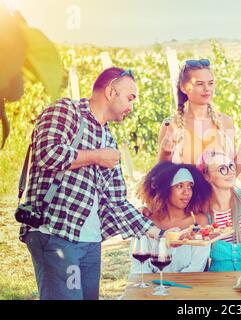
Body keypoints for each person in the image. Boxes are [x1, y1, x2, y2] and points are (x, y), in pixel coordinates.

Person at [19, 67, 165, 300]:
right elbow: (47, 153)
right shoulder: (66, 111)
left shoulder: (108, 138)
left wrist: (161, 234)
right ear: (110, 91)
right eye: (130, 97)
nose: (132, 106)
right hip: (56, 234)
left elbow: (117, 201)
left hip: (90, 240)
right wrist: (97, 156)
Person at [158, 59, 241, 175]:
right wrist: (164, 154)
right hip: (189, 193)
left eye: (210, 83)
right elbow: (161, 175)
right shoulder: (171, 125)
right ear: (183, 88)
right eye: (199, 84)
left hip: (221, 193)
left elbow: (232, 175)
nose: (207, 89)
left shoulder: (225, 122)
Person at [129, 161, 212, 273]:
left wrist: (171, 288)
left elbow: (196, 268)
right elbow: (139, 267)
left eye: (190, 186)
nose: (187, 192)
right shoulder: (146, 221)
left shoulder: (198, 222)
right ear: (165, 189)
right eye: (179, 186)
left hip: (187, 288)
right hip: (151, 288)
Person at [199, 150, 241, 272]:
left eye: (231, 166)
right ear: (207, 177)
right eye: (222, 169)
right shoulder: (202, 209)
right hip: (217, 280)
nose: (230, 172)